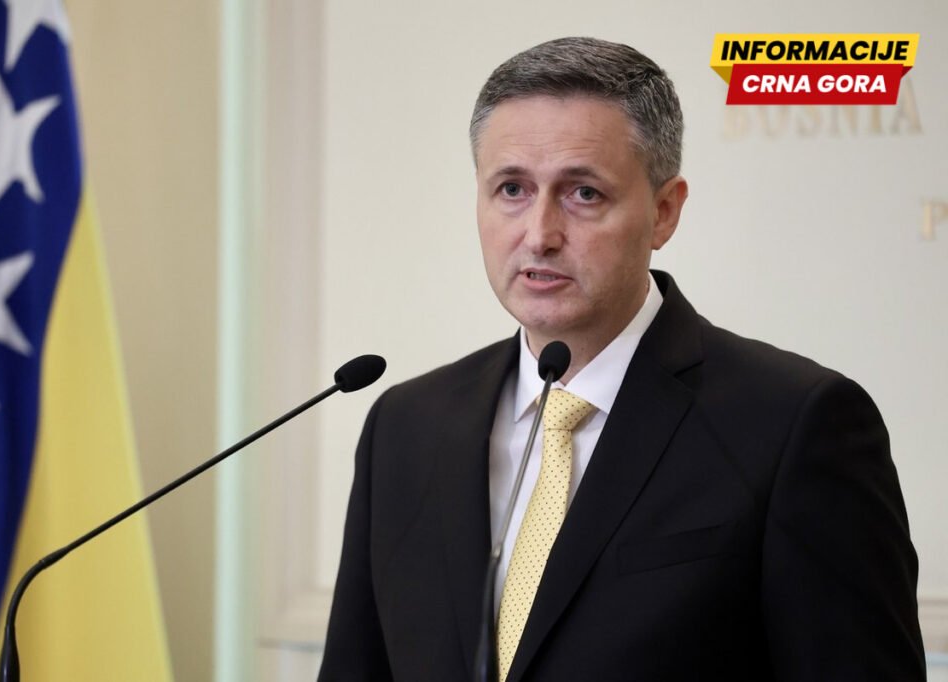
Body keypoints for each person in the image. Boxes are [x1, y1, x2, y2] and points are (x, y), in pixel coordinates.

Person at [318, 37, 925, 681]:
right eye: (512, 189)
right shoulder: (405, 427)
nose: (539, 235)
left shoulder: (795, 424)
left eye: (583, 193)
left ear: (664, 212)